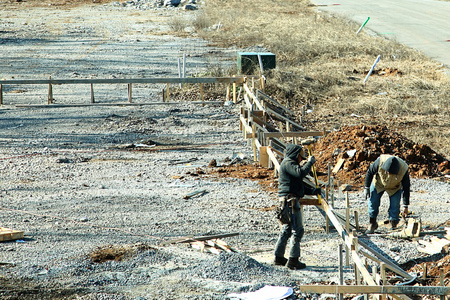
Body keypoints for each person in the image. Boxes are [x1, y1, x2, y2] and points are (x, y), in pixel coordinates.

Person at [274, 143, 320, 270]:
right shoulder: (288, 163)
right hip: (290, 201)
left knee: (287, 229)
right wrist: (310, 163)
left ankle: (279, 257)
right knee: (297, 230)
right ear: (295, 154)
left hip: (288, 199)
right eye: (301, 155)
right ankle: (293, 260)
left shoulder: (289, 164)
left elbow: (297, 186)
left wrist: (312, 192)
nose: (302, 158)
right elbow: (300, 173)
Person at [364, 154, 410, 234]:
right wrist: (366, 188)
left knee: (395, 206)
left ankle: (393, 225)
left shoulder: (404, 169)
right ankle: (372, 223)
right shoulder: (379, 162)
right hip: (379, 183)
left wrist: (405, 205)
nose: (388, 173)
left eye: (391, 173)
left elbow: (406, 187)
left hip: (395, 187)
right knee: (373, 202)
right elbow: (370, 172)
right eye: (387, 171)